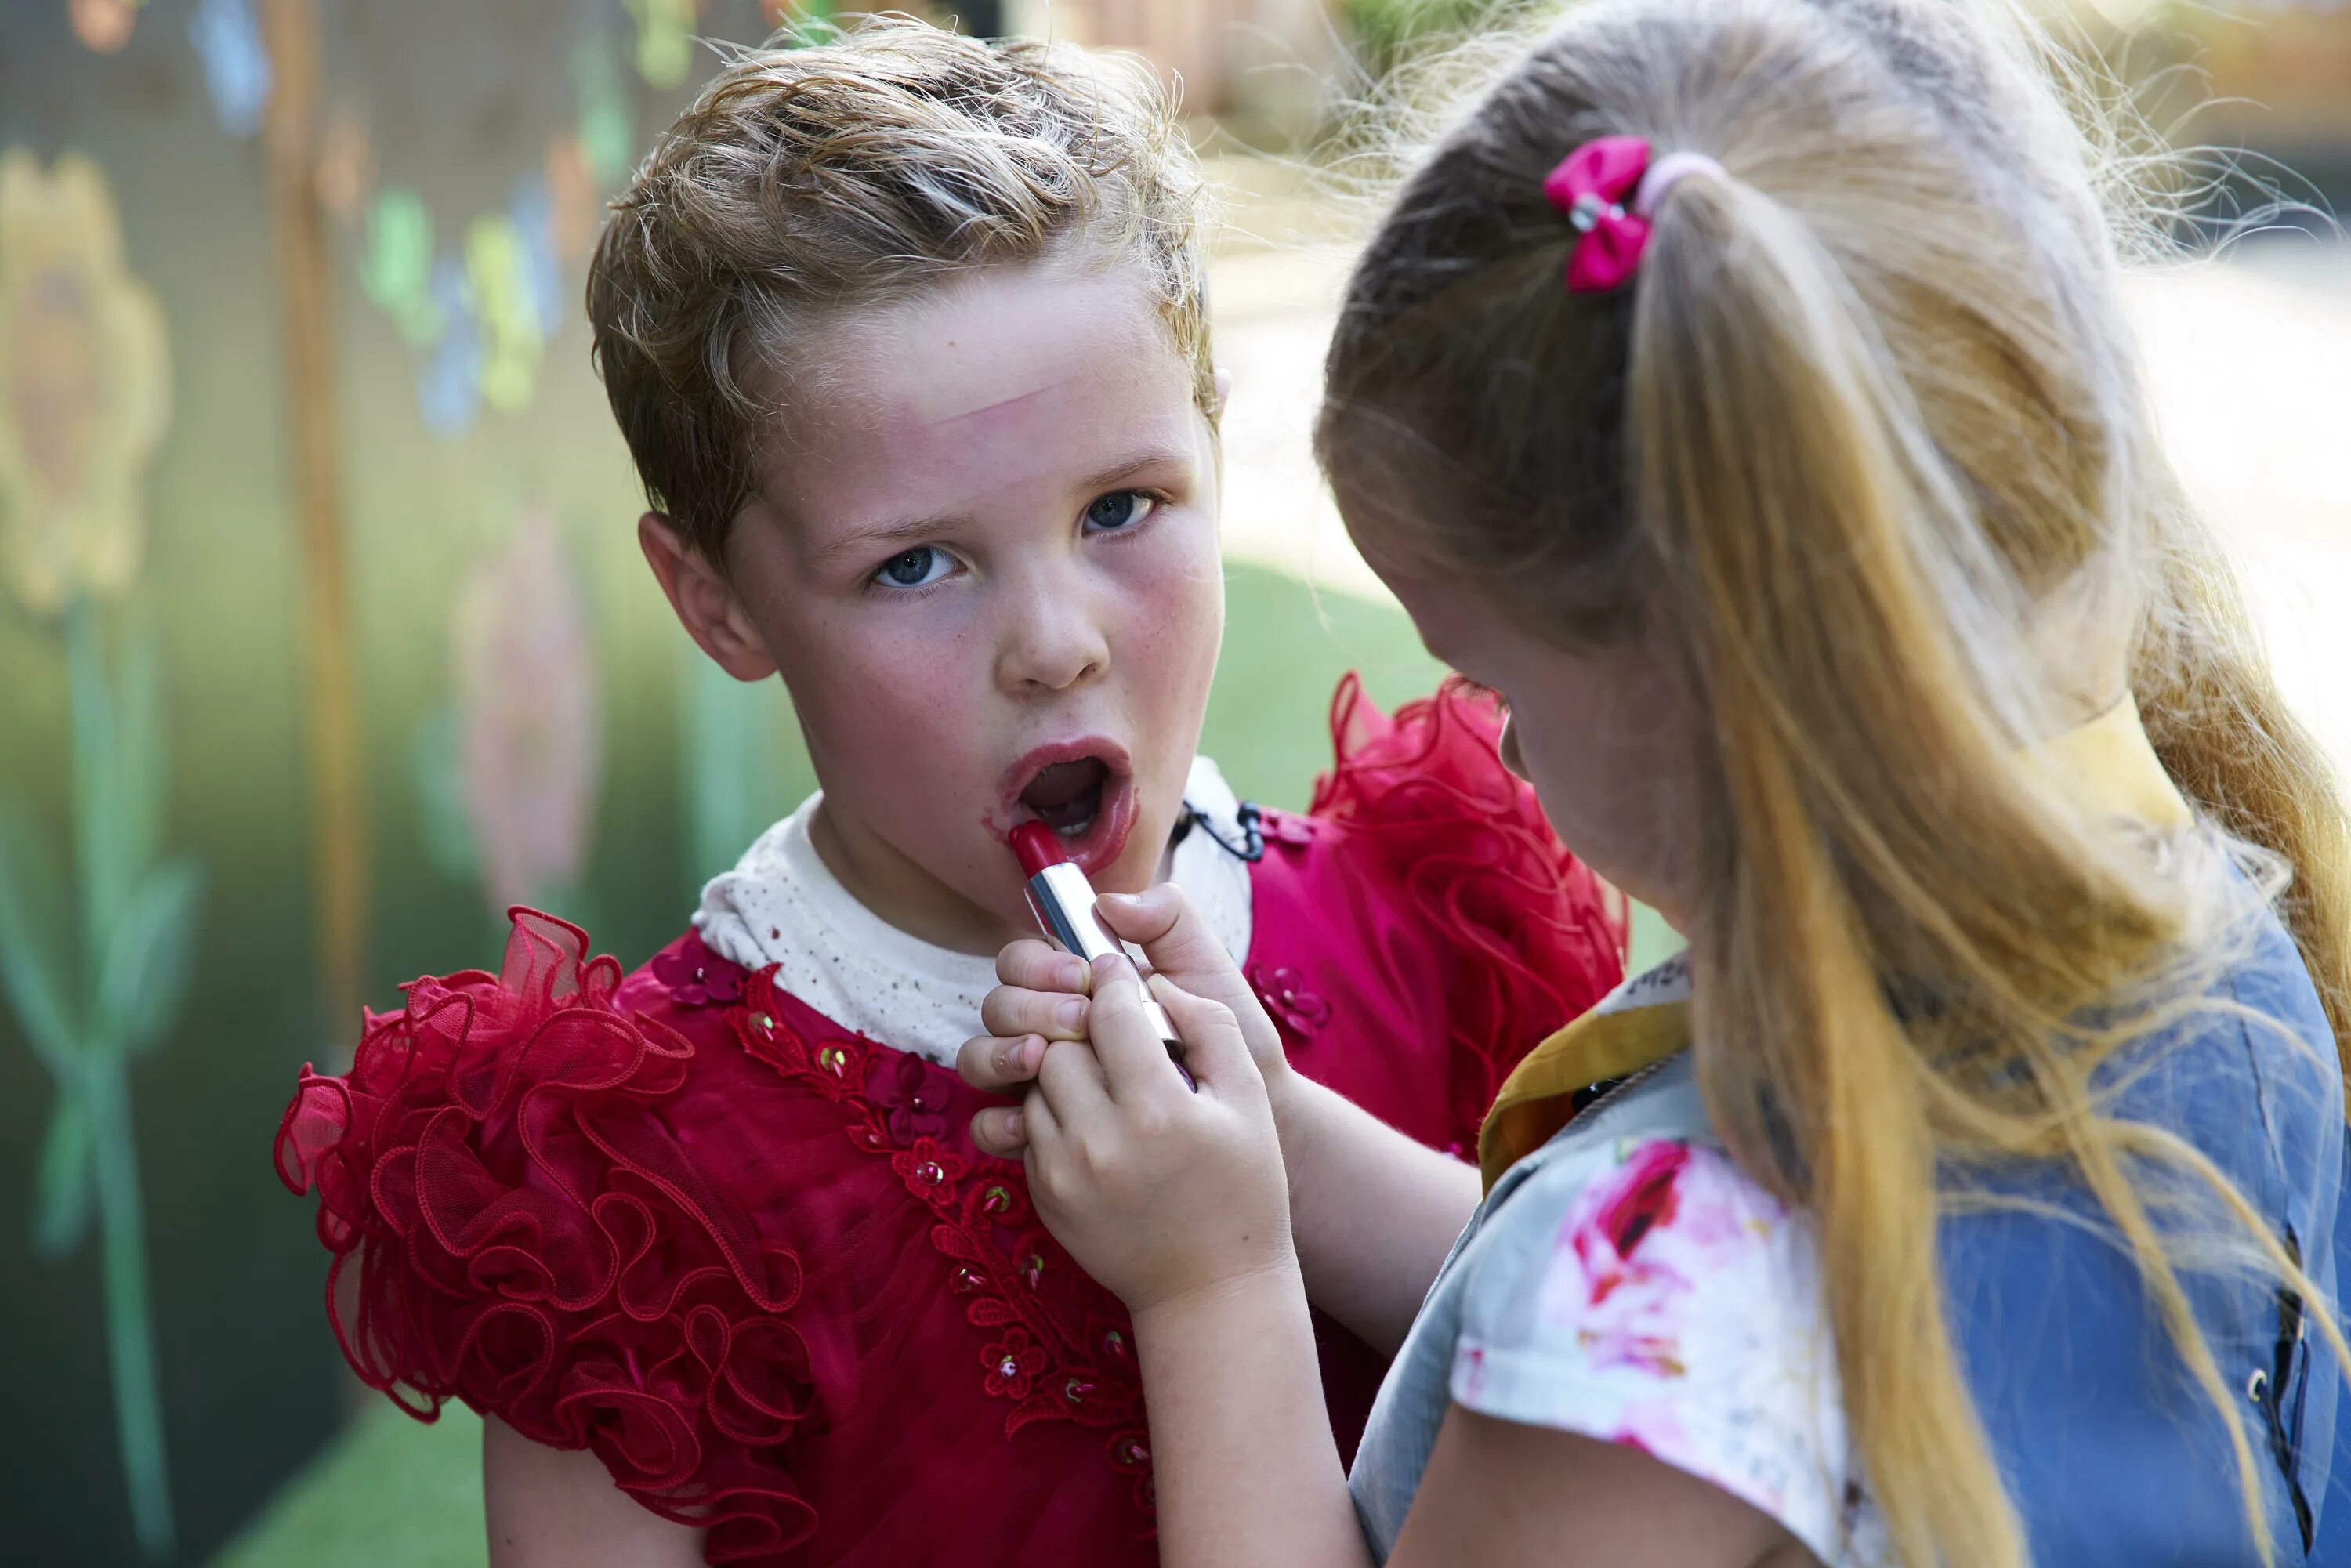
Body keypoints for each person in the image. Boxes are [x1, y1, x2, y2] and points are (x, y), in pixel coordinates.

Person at [954, 0, 2351, 1562]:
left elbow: (1649, 1342)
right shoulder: (2210, 931)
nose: (1506, 747)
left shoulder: (1690, 1268)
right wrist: (1280, 1130)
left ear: (1707, 694)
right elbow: (1660, 1352)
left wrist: (1206, 1281)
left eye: (1493, 678)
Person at [270, 17, 1625, 1568]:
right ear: (716, 602)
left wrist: (1290, 1154)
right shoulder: (630, 1188)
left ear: (1215, 451)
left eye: (1123, 504)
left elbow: (1600, 1357)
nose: (1055, 645)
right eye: (915, 563)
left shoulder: (1422, 921)